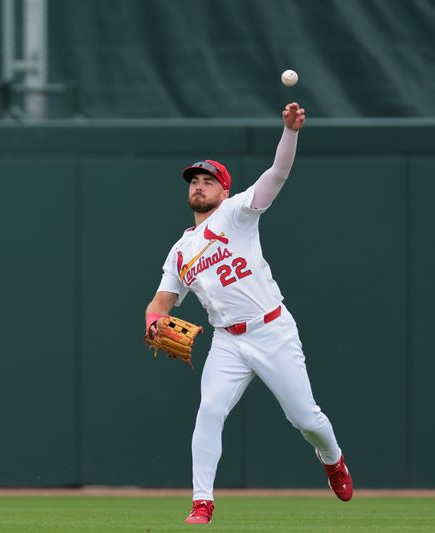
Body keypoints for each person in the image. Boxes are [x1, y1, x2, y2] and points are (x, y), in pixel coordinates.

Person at [144, 102, 353, 525]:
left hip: (271, 330)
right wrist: (152, 321)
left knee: (305, 418)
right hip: (228, 340)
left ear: (224, 190)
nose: (199, 186)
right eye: (195, 181)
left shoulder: (236, 213)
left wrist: (290, 132)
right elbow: (161, 301)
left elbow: (277, 174)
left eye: (208, 181)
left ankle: (332, 460)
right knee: (210, 410)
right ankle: (202, 502)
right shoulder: (180, 250)